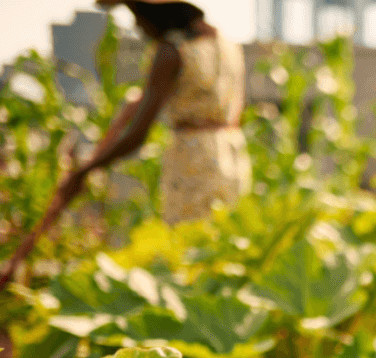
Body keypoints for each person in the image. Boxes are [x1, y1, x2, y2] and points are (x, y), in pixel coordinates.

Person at [51, 0, 250, 226]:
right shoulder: (228, 46)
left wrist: (84, 172)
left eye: (137, 14)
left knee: (188, 243)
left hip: (194, 163)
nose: (138, 25)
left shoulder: (171, 53)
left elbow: (137, 134)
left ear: (157, 12)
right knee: (223, 239)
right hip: (232, 156)